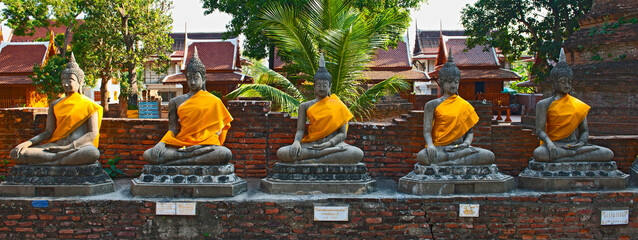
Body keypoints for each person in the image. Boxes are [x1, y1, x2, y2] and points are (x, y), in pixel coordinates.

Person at [143, 47, 233, 165]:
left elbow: (218, 131)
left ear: (204, 79)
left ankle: (177, 162)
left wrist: (203, 142)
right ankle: (189, 159)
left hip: (205, 146)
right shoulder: (176, 101)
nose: (193, 82)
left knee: (225, 154)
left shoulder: (214, 101)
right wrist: (162, 143)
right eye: (189, 78)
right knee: (148, 154)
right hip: (181, 144)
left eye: (196, 78)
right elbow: (173, 129)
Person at [11, 54, 102, 166]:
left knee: (93, 153)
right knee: (17, 153)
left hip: (78, 147)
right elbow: (49, 132)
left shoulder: (89, 104)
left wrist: (68, 148)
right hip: (56, 146)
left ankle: (54, 161)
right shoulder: (55, 104)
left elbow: (92, 133)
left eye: (70, 80)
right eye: (63, 80)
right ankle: (58, 160)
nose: (66, 84)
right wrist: (27, 143)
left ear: (80, 82)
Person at [276, 54, 363, 164]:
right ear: (314, 87)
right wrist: (296, 142)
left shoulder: (339, 105)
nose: (322, 88)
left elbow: (342, 134)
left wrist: (329, 144)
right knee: (282, 152)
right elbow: (300, 130)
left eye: (325, 85)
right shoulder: (305, 106)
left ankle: (316, 160)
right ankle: (325, 155)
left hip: (334, 144)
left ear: (330, 87)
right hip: (312, 145)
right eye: (319, 85)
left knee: (357, 153)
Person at [532, 49, 613, 162]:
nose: (567, 85)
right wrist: (550, 144)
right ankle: (570, 156)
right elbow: (540, 131)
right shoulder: (544, 104)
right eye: (563, 82)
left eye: (569, 82)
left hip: (574, 146)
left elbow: (584, 131)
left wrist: (580, 143)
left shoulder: (578, 104)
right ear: (554, 84)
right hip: (555, 145)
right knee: (539, 153)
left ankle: (565, 157)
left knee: (608, 153)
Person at [417, 52, 495, 166]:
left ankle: (449, 163)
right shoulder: (432, 105)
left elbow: (470, 132)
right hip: (440, 149)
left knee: (489, 156)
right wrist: (430, 145)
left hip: (461, 149)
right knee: (423, 157)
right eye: (449, 82)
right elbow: (427, 132)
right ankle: (455, 162)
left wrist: (466, 143)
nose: (453, 85)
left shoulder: (465, 105)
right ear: (442, 82)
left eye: (456, 82)